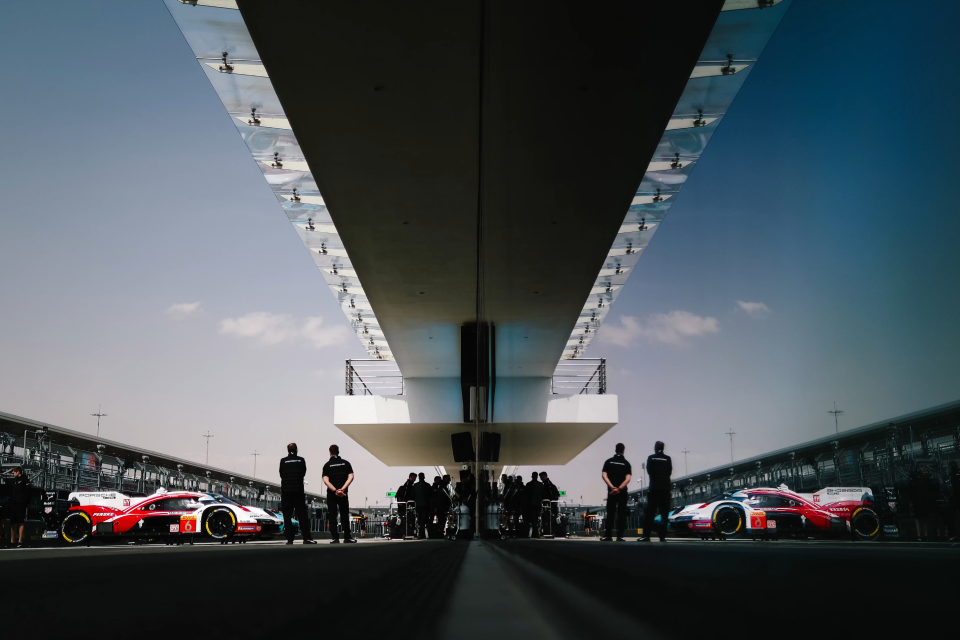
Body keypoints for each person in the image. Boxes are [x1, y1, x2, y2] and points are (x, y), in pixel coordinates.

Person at [278, 444, 316, 545]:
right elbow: (303, 473)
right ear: (296, 450)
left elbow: (281, 474)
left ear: (288, 450)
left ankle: (289, 539)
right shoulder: (301, 460)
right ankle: (307, 538)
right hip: (298, 491)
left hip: (286, 491)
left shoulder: (283, 461)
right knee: (302, 515)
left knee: (287, 515)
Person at [322, 444, 356, 544]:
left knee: (332, 515)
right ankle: (347, 537)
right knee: (344, 515)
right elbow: (351, 477)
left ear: (330, 452)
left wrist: (335, 490)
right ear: (338, 451)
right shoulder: (346, 463)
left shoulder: (327, 465)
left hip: (332, 494)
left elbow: (326, 481)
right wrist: (342, 489)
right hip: (343, 494)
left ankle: (335, 538)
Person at [640, 441, 672, 542]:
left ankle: (646, 536)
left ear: (655, 448)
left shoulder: (651, 458)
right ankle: (662, 537)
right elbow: (669, 472)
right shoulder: (668, 459)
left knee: (650, 513)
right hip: (665, 489)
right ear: (663, 448)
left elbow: (649, 471)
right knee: (664, 514)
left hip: (654, 489)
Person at [601, 443, 632, 541]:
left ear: (615, 450)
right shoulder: (627, 463)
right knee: (621, 514)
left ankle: (608, 535)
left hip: (611, 492)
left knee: (610, 513)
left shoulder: (608, 462)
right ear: (623, 451)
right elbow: (628, 479)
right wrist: (619, 488)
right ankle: (620, 536)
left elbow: (604, 475)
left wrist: (612, 488)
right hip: (622, 492)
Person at [8, 467, 31, 548]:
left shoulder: (25, 480)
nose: (13, 474)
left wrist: (27, 502)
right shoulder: (15, 481)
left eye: (13, 473)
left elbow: (29, 492)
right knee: (12, 522)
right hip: (14, 503)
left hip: (21, 503)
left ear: (18, 472)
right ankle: (12, 541)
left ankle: (20, 541)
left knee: (20, 522)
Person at [540, 471, 560, 537]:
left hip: (549, 505)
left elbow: (547, 495)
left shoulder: (547, 485)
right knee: (551, 519)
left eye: (541, 477)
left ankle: (549, 531)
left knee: (548, 519)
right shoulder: (550, 484)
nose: (541, 478)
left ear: (545, 476)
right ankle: (552, 531)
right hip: (551, 505)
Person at [412, 472, 432, 539]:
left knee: (419, 520)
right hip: (426, 506)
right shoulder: (427, 485)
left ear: (418, 477)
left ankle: (420, 533)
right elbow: (430, 496)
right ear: (424, 477)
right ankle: (423, 533)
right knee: (424, 520)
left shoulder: (415, 486)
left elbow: (413, 496)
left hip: (418, 506)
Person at [525, 471, 544, 538]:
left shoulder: (528, 485)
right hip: (538, 504)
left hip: (530, 505)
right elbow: (543, 495)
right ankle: (536, 532)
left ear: (532, 476)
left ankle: (533, 532)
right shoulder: (541, 485)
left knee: (532, 520)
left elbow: (526, 495)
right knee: (537, 519)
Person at [396, 472, 416, 537]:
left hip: (406, 506)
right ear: (411, 477)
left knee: (404, 520)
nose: (415, 479)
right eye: (414, 478)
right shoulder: (408, 486)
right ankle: (404, 532)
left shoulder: (408, 485)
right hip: (406, 506)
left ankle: (402, 532)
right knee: (406, 520)